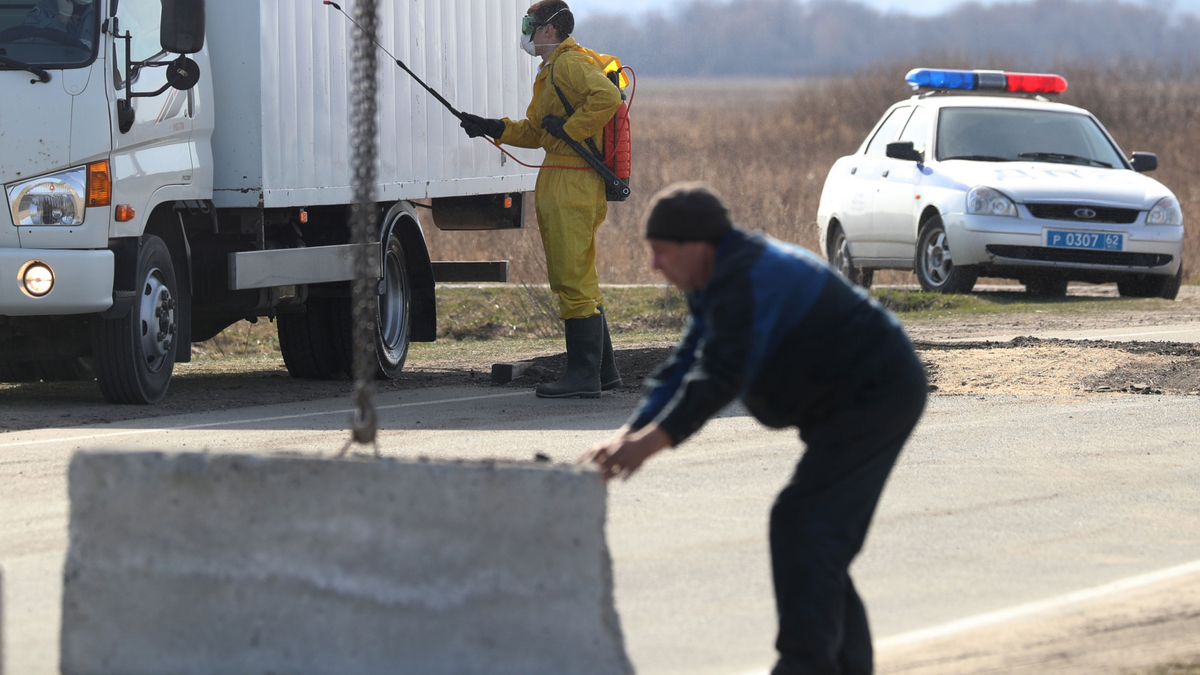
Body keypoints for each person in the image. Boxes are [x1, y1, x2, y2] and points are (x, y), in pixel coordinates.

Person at [582, 183, 928, 675]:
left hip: (877, 394)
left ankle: (804, 665)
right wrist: (631, 431)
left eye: (660, 252)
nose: (655, 266)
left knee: (805, 525)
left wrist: (650, 444)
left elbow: (719, 375)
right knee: (816, 536)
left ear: (695, 245)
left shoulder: (749, 277)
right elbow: (684, 364)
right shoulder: (721, 276)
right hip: (845, 403)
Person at [458, 0, 623, 399]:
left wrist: (570, 128)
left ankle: (583, 377)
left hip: (573, 181)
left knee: (572, 278)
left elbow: (607, 99)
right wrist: (493, 127)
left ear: (550, 30)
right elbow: (537, 132)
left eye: (531, 23)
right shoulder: (550, 70)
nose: (526, 30)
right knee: (578, 276)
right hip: (562, 177)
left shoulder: (568, 63)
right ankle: (604, 372)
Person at [21, 0, 94, 49]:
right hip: (52, 68)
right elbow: (25, 44)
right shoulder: (46, 7)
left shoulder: (103, 8)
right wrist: (61, 18)